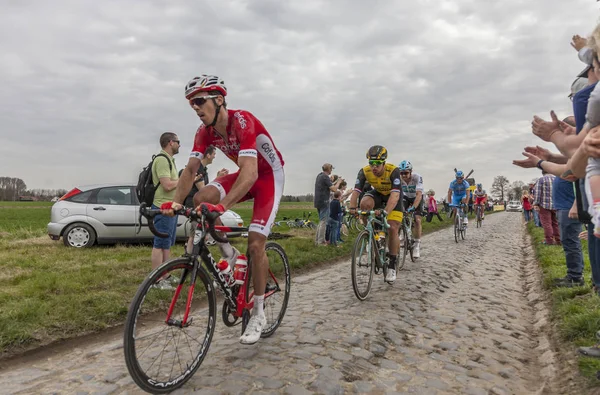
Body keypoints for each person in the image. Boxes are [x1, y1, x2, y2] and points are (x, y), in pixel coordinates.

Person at [162, 74, 285, 345]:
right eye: (191, 103)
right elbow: (190, 170)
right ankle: (230, 255)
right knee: (201, 199)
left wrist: (223, 206)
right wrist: (178, 203)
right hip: (244, 173)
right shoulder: (203, 132)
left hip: (266, 177)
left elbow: (251, 174)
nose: (195, 108)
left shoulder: (243, 121)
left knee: (255, 245)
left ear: (219, 100)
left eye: (199, 101)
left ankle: (259, 314)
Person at [349, 145, 403, 283]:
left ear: (384, 163)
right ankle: (372, 236)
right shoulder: (365, 172)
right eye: (371, 163)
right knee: (365, 204)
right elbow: (356, 192)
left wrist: (385, 212)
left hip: (393, 196)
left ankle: (392, 263)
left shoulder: (393, 171)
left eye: (378, 164)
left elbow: (395, 196)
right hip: (378, 193)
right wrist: (352, 207)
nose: (374, 167)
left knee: (392, 227)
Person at [178, 145, 227, 252]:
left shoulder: (202, 169)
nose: (214, 156)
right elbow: (204, 191)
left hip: (197, 205)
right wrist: (218, 179)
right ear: (208, 155)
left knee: (195, 233)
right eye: (213, 154)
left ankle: (190, 254)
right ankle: (192, 256)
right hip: (196, 206)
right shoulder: (199, 169)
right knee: (199, 234)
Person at [151, 132, 180, 290]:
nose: (179, 145)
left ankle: (166, 275)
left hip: (170, 207)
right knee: (159, 243)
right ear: (170, 142)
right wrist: (183, 179)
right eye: (178, 142)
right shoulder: (162, 160)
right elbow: (167, 185)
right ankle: (156, 280)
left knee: (167, 244)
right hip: (162, 207)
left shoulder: (169, 160)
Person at [398, 160, 424, 258]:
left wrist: (413, 207)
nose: (403, 175)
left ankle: (417, 245)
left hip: (416, 197)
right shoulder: (399, 179)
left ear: (411, 171)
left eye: (406, 173)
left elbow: (419, 195)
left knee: (417, 220)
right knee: (399, 214)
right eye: (401, 173)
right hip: (405, 197)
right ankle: (402, 232)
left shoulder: (417, 177)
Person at [314, 164, 343, 246]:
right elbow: (334, 189)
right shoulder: (325, 177)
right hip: (324, 202)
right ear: (329, 169)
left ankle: (317, 240)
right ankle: (321, 242)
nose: (331, 171)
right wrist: (339, 182)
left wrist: (336, 182)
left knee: (321, 221)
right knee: (323, 222)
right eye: (331, 169)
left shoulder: (319, 176)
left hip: (318, 201)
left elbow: (329, 185)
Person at [533, 170, 561, 245]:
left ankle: (549, 241)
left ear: (542, 172)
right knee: (556, 223)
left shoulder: (541, 180)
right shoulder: (557, 179)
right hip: (556, 205)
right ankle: (558, 240)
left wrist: (536, 204)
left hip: (544, 205)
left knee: (547, 223)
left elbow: (538, 193)